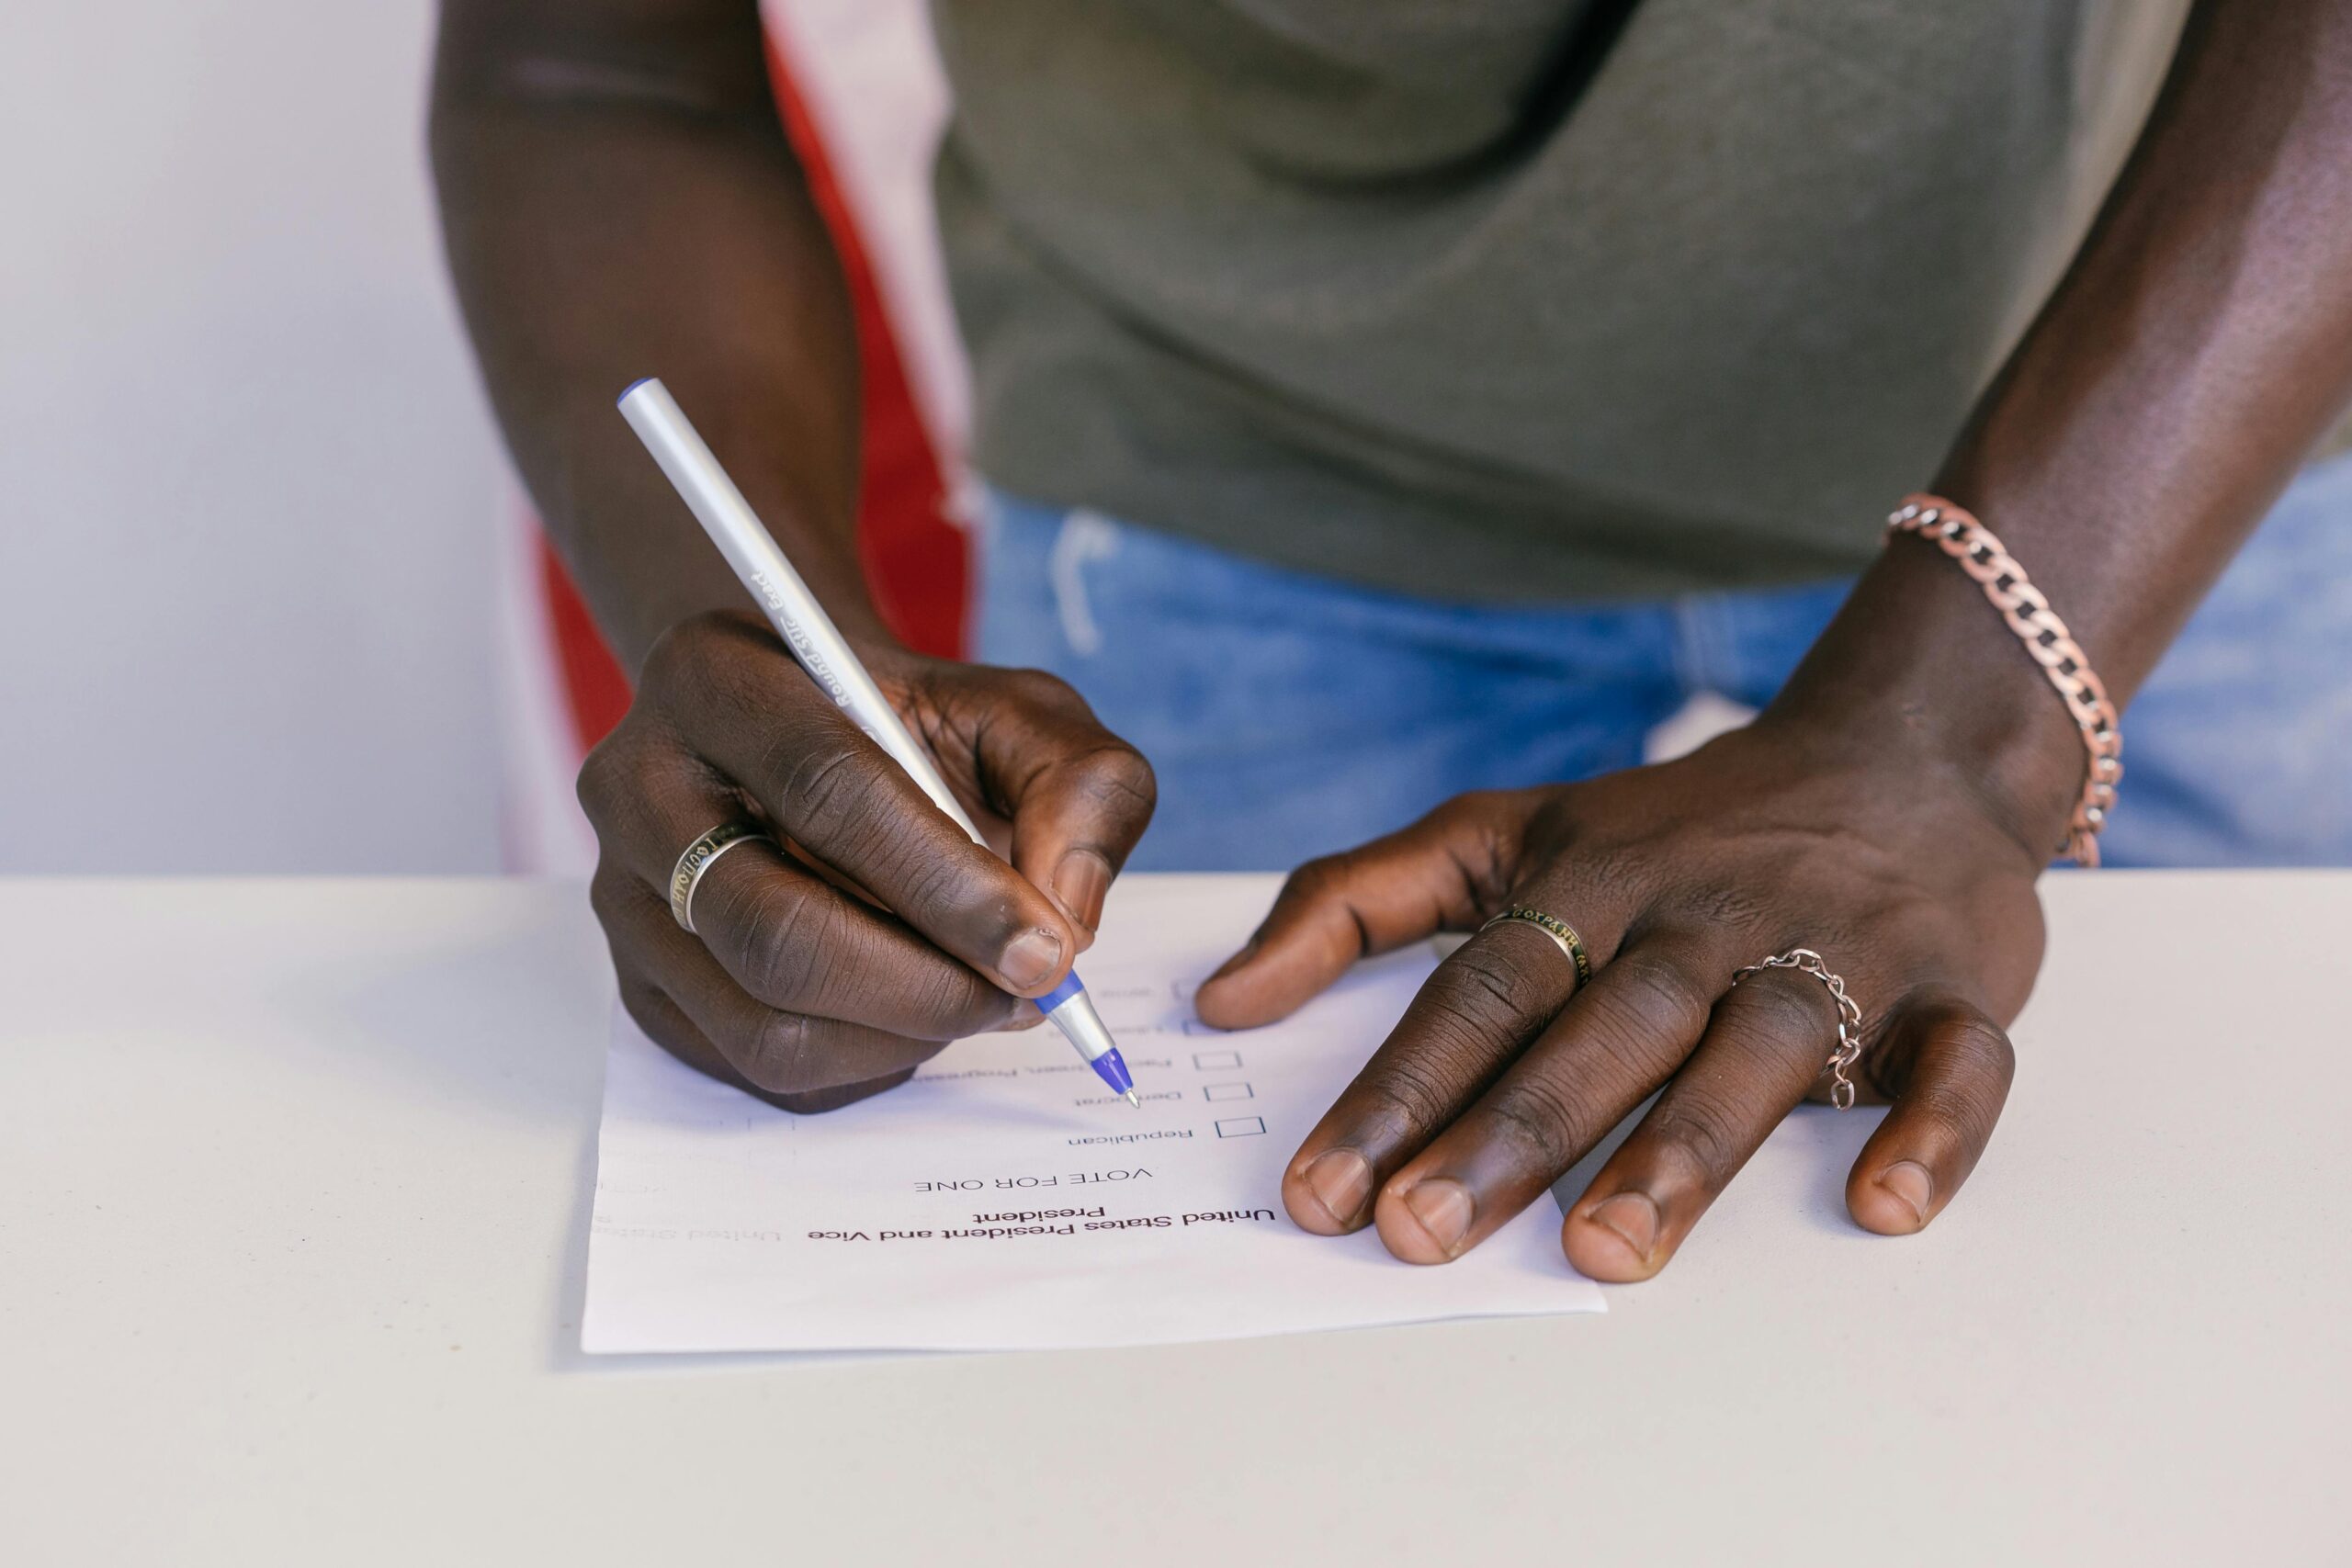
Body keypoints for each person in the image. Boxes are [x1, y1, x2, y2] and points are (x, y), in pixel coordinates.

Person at [431, 0, 2352, 1282]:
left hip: (2160, 416)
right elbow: (595, 69)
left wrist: (1965, 725)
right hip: (1240, 467)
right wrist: (772, 677)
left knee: (2203, 1299)